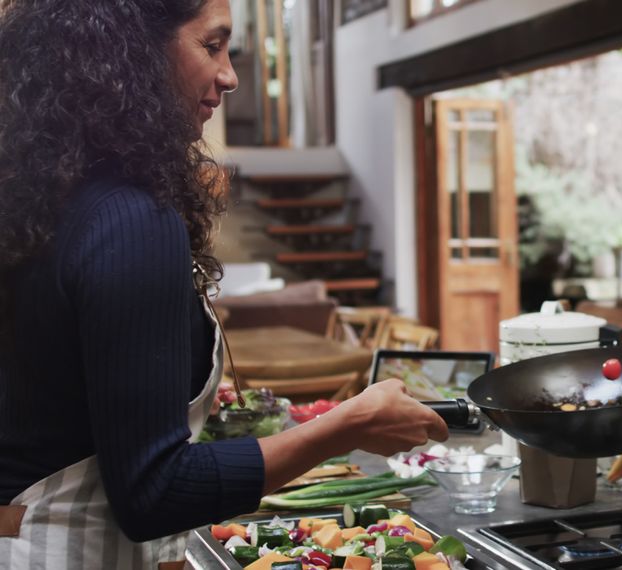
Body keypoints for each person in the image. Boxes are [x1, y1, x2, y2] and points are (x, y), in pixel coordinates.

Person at [0, 1, 449, 567]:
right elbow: (152, 492)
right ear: (131, 49)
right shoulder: (130, 218)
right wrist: (348, 424)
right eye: (212, 46)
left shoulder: (42, 195)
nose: (230, 76)